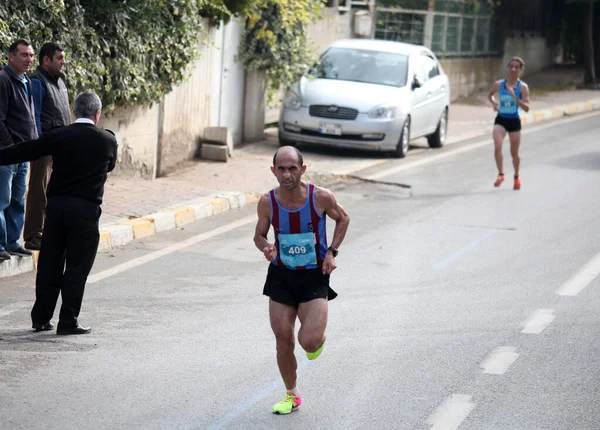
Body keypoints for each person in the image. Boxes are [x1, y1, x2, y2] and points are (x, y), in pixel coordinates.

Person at [0, 91, 118, 335]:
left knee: (49, 264)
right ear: (98, 114)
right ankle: (68, 321)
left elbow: (27, 150)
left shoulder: (60, 135)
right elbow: (110, 165)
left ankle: (41, 318)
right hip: (85, 211)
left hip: (55, 209)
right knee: (77, 268)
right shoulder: (107, 140)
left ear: (75, 111)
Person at [254, 146, 350, 415]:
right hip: (281, 277)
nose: (287, 174)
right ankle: (291, 394)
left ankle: (316, 340)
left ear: (302, 169)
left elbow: (343, 218)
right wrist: (266, 247)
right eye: (281, 169)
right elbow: (259, 235)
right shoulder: (267, 202)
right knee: (283, 340)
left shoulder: (320, 197)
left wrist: (332, 251)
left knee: (309, 341)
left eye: (292, 168)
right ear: (273, 171)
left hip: (313, 277)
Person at [25, 42, 72, 250]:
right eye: (59, 58)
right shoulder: (37, 81)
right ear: (46, 60)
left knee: (57, 190)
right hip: (44, 145)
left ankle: (49, 231)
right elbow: (33, 115)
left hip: (61, 146)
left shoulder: (60, 83)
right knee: (39, 189)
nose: (63, 62)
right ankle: (34, 234)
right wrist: (38, 143)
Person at [0, 39, 38, 261]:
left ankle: (13, 242)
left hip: (24, 153)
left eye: (31, 55)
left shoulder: (27, 81)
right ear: (11, 56)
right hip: (7, 153)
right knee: (2, 200)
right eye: (24, 55)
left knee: (17, 199)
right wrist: (11, 145)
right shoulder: (3, 80)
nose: (29, 59)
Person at [488, 56, 530, 190]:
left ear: (521, 70)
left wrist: (515, 97)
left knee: (514, 153)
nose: (513, 69)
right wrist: (494, 103)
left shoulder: (523, 87)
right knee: (497, 146)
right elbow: (490, 95)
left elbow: (527, 108)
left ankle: (516, 176)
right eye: (511, 67)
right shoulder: (499, 84)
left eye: (516, 67)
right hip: (501, 119)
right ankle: (500, 174)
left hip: (514, 121)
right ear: (507, 68)